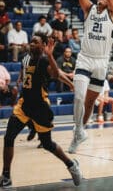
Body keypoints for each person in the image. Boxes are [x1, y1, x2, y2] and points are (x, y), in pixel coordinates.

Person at [0, 33, 82, 188]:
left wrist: (69, 82)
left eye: (35, 42)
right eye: (31, 41)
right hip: (23, 106)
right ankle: (6, 176)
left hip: (40, 108)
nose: (32, 44)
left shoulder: (44, 61)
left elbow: (56, 73)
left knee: (47, 144)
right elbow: (24, 73)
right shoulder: (25, 58)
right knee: (8, 137)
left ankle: (71, 165)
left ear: (43, 45)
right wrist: (19, 81)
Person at [67, 0, 113, 154]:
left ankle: (79, 131)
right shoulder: (89, 9)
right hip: (85, 59)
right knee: (79, 96)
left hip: (102, 62)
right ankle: (79, 130)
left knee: (89, 103)